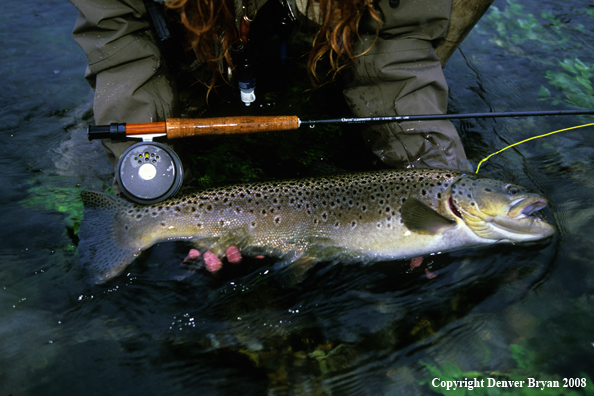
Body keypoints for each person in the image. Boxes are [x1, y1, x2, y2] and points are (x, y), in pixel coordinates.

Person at [69, 0, 484, 270]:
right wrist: (146, 167)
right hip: (190, 30)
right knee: (75, 155)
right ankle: (132, 223)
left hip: (338, 26)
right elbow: (119, 41)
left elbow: (400, 46)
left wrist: (429, 169)